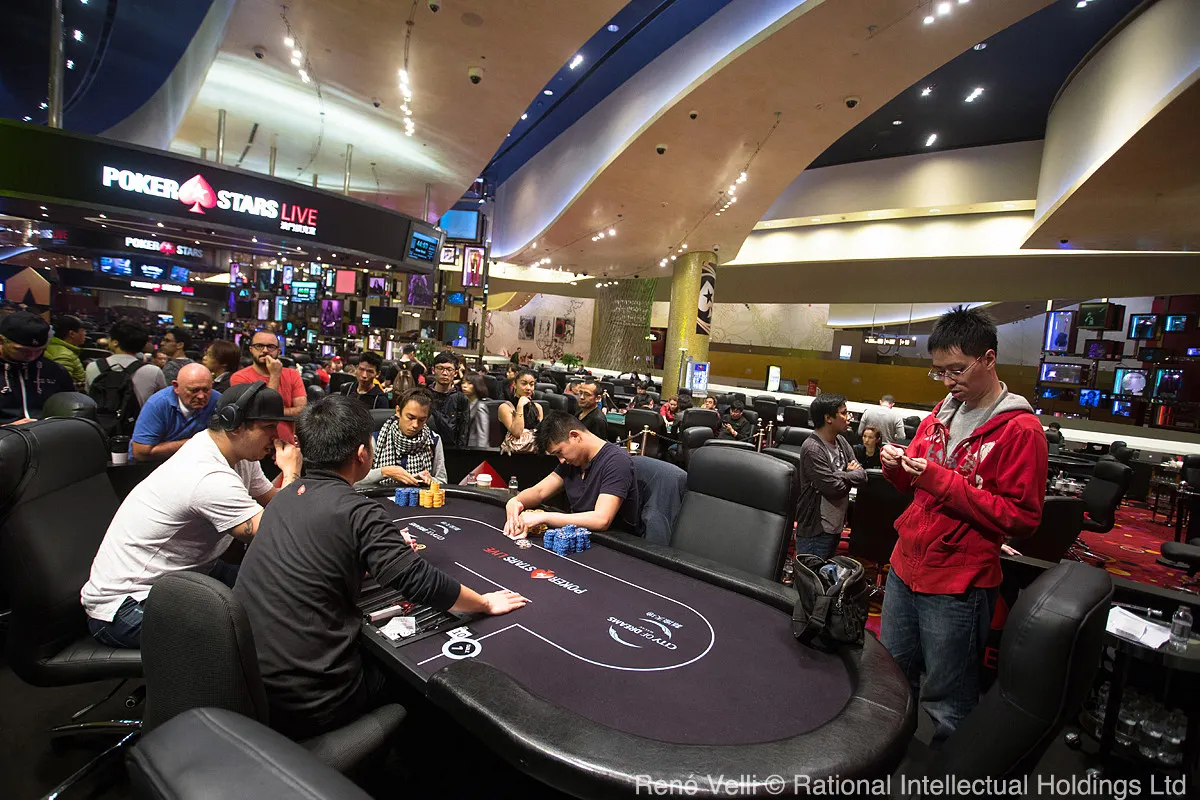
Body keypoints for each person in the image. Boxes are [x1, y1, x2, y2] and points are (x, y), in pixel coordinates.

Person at [234, 395, 528, 739]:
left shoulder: (286, 494)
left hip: (251, 684)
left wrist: (372, 552)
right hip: (312, 700)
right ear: (362, 454)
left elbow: (321, 552)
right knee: (415, 683)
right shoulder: (357, 511)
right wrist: (484, 602)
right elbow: (419, 581)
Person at [879, 306, 1047, 744]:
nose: (948, 381)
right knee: (889, 678)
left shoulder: (1020, 429)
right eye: (939, 372)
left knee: (948, 701)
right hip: (906, 565)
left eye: (957, 370)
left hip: (960, 581)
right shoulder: (942, 412)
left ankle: (947, 775)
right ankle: (888, 761)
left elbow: (1023, 518)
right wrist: (896, 466)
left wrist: (940, 480)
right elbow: (916, 485)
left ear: (988, 359)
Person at [81, 383, 301, 648]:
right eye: (268, 427)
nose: (276, 436)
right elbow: (274, 533)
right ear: (235, 425)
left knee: (282, 591)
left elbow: (274, 502)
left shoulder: (238, 455)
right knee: (250, 632)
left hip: (187, 575)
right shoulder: (207, 475)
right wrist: (291, 471)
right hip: (126, 605)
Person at [504, 411, 640, 537]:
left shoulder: (617, 461)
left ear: (575, 436)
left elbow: (601, 519)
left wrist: (544, 517)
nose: (561, 460)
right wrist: (516, 501)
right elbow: (539, 491)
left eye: (559, 452)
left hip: (616, 543)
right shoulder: (572, 462)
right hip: (581, 536)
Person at [795, 392, 866, 559]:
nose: (849, 418)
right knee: (812, 575)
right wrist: (849, 474)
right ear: (828, 418)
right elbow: (833, 489)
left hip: (835, 526)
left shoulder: (841, 441)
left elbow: (862, 476)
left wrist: (839, 475)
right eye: (844, 413)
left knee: (826, 573)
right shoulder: (812, 448)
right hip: (816, 530)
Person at [129, 363, 220, 461]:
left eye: (206, 390)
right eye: (194, 390)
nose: (201, 396)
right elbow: (140, 452)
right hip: (153, 465)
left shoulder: (218, 401)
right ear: (176, 387)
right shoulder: (157, 404)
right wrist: (196, 442)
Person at [359, 388, 448, 486]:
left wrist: (429, 480)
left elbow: (442, 482)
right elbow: (356, 481)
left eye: (422, 420)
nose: (415, 425)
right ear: (398, 411)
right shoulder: (375, 439)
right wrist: (384, 472)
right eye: (410, 417)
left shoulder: (433, 440)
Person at [0, 311, 76, 424]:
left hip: (46, 432)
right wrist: (7, 429)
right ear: (1, 340)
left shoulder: (55, 371)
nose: (31, 357)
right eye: (23, 350)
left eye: (39, 350)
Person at [232, 330, 307, 441]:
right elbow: (266, 412)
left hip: (286, 443)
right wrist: (275, 375)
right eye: (259, 346)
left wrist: (272, 411)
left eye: (271, 347)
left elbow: (302, 410)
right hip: (254, 444)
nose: (265, 350)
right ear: (251, 349)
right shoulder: (239, 377)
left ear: (279, 351)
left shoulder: (293, 374)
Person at [85, 321, 167, 407]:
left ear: (115, 342)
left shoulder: (93, 367)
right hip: (139, 415)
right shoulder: (154, 371)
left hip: (99, 415)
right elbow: (163, 403)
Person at [427, 352, 469, 447]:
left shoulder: (461, 399)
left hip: (451, 449)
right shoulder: (424, 395)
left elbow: (463, 433)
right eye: (440, 368)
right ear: (433, 370)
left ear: (455, 373)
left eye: (449, 369)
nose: (445, 373)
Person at [497, 368, 543, 454]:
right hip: (511, 455)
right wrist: (520, 406)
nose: (528, 388)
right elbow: (517, 433)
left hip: (534, 454)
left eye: (531, 384)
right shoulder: (505, 407)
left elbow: (540, 436)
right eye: (524, 383)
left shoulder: (538, 407)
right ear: (514, 384)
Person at [46, 315, 87, 390]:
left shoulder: (53, 347)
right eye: (83, 331)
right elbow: (62, 386)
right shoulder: (64, 356)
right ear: (72, 334)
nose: (85, 334)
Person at [461, 373, 490, 448]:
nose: (464, 386)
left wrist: (480, 452)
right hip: (464, 446)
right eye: (463, 383)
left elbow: (483, 435)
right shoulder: (465, 404)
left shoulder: (480, 407)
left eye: (469, 383)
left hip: (475, 447)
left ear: (477, 385)